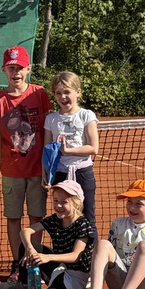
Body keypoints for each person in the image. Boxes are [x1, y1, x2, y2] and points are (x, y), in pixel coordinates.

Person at [0, 46, 51, 289]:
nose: (16, 72)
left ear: (29, 69)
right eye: (11, 68)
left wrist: (48, 165)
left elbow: (48, 128)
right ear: (4, 70)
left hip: (38, 169)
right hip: (11, 171)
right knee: (13, 218)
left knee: (37, 218)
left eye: (20, 68)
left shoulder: (40, 93)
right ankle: (17, 264)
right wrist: (2, 164)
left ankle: (33, 261)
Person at [14, 180, 94, 289]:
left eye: (64, 202)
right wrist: (29, 249)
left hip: (77, 274)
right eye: (55, 201)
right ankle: (24, 284)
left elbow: (75, 256)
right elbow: (25, 231)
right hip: (59, 266)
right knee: (26, 246)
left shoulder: (83, 224)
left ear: (76, 203)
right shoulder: (54, 219)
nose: (58, 205)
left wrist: (48, 257)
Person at [44, 70, 99, 234]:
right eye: (58, 93)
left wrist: (67, 150)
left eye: (67, 92)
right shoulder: (51, 119)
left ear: (78, 92)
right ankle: (66, 250)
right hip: (60, 175)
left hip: (83, 173)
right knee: (63, 217)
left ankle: (92, 251)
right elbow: (47, 151)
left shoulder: (86, 115)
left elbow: (93, 148)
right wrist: (44, 174)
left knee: (87, 216)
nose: (63, 97)